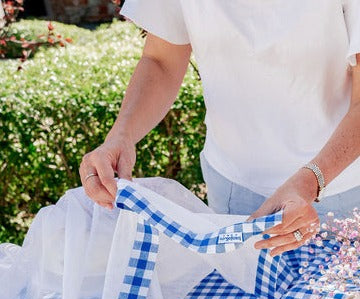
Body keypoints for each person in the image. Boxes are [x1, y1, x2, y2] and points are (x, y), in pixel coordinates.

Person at [79, 0, 360, 256]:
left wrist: (309, 183)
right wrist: (121, 136)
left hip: (338, 190)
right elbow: (161, 60)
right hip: (232, 188)